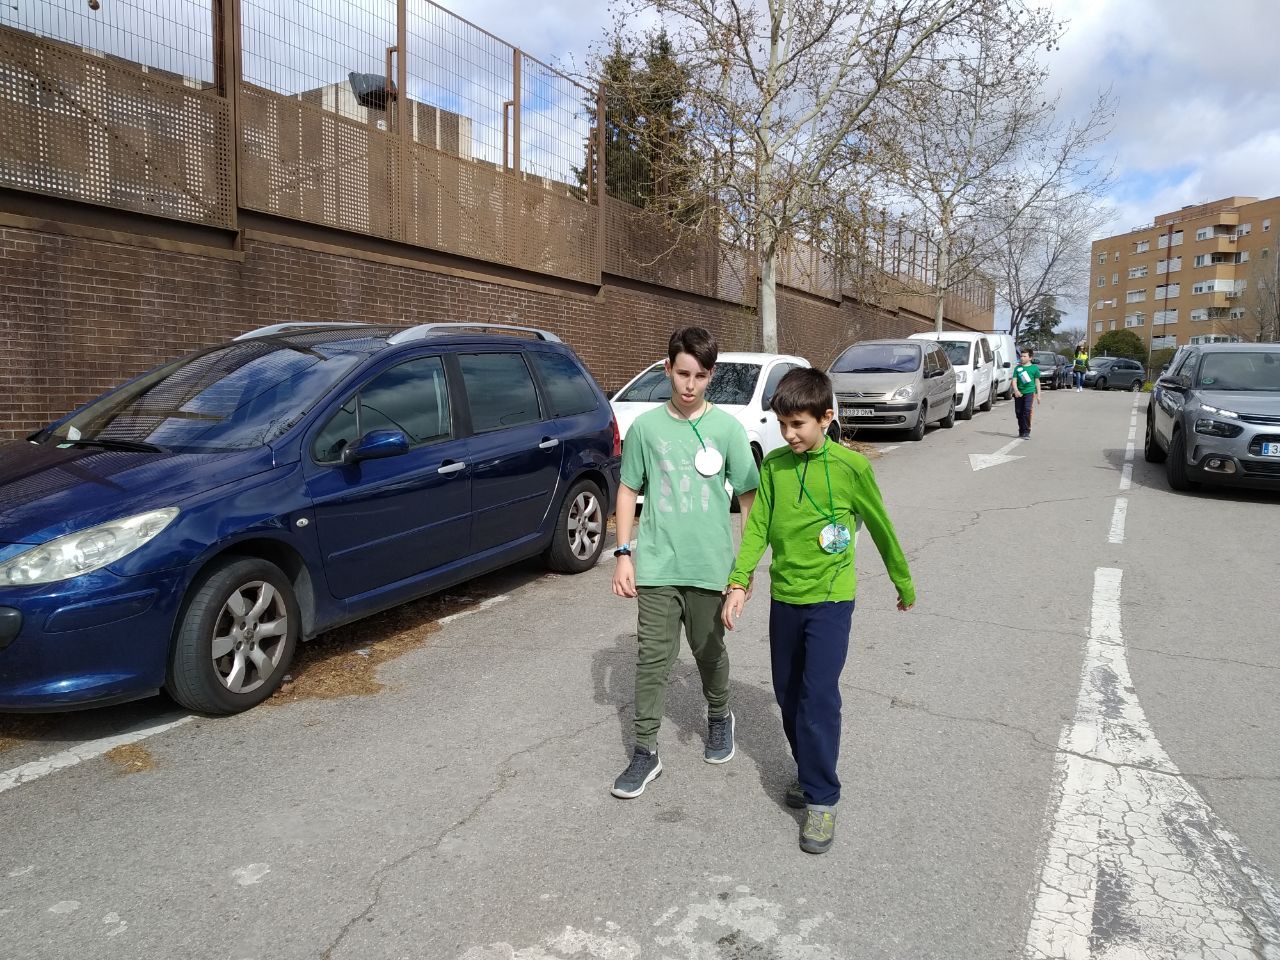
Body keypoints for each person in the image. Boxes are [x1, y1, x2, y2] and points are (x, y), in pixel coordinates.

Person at [721, 368, 914, 854]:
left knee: (818, 697)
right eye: (782, 424)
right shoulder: (774, 467)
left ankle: (823, 797)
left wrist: (902, 580)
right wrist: (740, 581)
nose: (789, 434)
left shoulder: (852, 468)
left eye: (798, 424)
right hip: (786, 597)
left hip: (831, 598)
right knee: (788, 696)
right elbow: (758, 527)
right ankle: (808, 769)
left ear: (826, 418)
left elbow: (881, 525)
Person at [610, 326, 759, 799]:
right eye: (681, 374)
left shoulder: (728, 430)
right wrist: (623, 554)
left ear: (710, 376)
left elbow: (750, 499)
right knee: (652, 658)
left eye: (699, 376)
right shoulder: (646, 429)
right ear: (667, 369)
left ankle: (719, 715)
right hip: (657, 564)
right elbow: (628, 490)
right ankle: (645, 751)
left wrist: (745, 571)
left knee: (708, 651)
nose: (689, 385)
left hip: (710, 566)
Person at [1012, 348, 1041, 438]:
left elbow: (1037, 382)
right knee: (1019, 412)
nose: (1022, 358)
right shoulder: (1017, 368)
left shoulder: (1034, 368)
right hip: (1019, 393)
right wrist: (1016, 390)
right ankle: (1021, 430)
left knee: (1027, 410)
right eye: (1021, 356)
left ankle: (1026, 431)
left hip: (1029, 392)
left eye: (1024, 356)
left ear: (1030, 358)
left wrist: (1039, 395)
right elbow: (1014, 381)